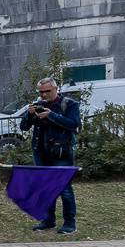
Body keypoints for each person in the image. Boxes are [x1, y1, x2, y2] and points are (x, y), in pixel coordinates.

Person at [19, 77, 81, 234]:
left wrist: (51, 116)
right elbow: (24, 127)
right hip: (40, 152)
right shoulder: (38, 105)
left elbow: (73, 124)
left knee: (64, 188)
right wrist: (29, 114)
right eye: (41, 92)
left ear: (55, 89)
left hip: (61, 153)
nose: (44, 95)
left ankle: (69, 223)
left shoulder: (69, 104)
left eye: (47, 91)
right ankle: (48, 220)